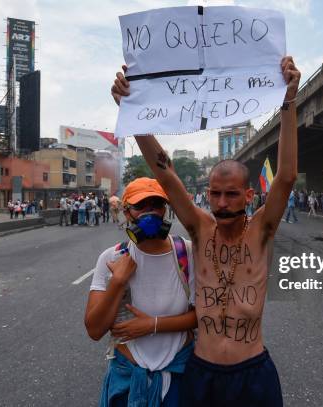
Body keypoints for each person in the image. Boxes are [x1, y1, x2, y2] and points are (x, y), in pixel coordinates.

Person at [111, 55, 300, 406]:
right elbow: (165, 172)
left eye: (232, 195)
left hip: (252, 373)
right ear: (207, 193)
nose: (223, 202)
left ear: (249, 195)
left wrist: (289, 99)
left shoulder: (262, 230)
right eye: (215, 193)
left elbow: (286, 177)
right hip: (202, 372)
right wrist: (131, 111)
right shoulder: (200, 227)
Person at [85, 177, 197, 406]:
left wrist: (152, 325)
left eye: (157, 204)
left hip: (179, 378)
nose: (150, 212)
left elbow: (205, 316)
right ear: (127, 212)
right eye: (140, 206)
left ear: (165, 209)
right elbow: (95, 330)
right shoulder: (112, 258)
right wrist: (117, 282)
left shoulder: (187, 253)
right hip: (128, 380)